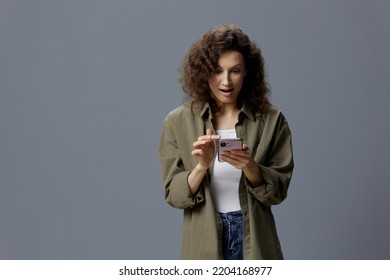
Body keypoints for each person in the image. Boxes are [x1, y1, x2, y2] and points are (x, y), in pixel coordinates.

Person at [158, 24, 294, 260]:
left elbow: (278, 192)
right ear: (203, 72)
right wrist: (202, 166)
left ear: (247, 72)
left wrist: (249, 165)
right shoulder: (177, 121)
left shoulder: (272, 120)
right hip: (204, 241)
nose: (226, 81)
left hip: (255, 241)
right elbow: (174, 195)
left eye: (235, 70)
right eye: (217, 71)